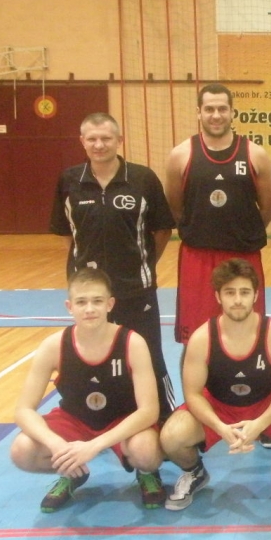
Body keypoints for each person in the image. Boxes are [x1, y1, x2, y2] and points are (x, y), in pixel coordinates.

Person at [159, 258, 271, 509]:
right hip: (219, 407)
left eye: (244, 292)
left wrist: (260, 424)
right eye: (230, 292)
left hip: (265, 403)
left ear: (255, 295)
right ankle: (194, 472)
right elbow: (193, 394)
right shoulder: (202, 338)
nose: (238, 300)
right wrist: (219, 427)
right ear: (218, 296)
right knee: (171, 436)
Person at [50, 112, 177, 421]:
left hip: (136, 289)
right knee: (92, 357)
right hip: (89, 296)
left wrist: (143, 263)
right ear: (82, 141)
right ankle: (93, 417)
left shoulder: (143, 178)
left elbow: (162, 230)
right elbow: (66, 233)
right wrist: (83, 272)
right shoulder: (69, 181)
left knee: (149, 355)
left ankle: (163, 417)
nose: (99, 145)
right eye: (92, 139)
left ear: (120, 140)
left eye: (106, 138)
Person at [10, 268, 165, 513]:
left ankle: (146, 473)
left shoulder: (132, 343)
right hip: (75, 419)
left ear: (110, 304)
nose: (89, 309)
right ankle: (71, 471)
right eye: (81, 302)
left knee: (146, 452)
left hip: (121, 420)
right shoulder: (53, 345)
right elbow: (23, 410)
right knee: (22, 451)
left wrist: (93, 446)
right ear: (69, 306)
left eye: (97, 301)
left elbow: (149, 411)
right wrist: (56, 445)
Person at [165, 83, 271, 345]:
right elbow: (176, 209)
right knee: (196, 338)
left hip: (243, 255)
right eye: (209, 109)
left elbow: (268, 208)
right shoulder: (180, 155)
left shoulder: (255, 154)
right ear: (199, 112)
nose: (216, 115)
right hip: (198, 258)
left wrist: (239, 232)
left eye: (222, 109)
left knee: (249, 334)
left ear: (232, 112)